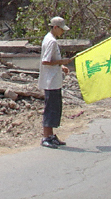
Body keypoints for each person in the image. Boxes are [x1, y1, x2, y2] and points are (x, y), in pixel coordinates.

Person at [39, 16, 73, 148]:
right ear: (55, 27)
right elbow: (46, 61)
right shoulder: (51, 42)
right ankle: (46, 137)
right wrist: (61, 62)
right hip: (50, 81)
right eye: (61, 29)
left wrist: (61, 66)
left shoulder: (51, 39)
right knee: (50, 109)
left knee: (55, 108)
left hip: (55, 79)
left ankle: (51, 136)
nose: (62, 32)